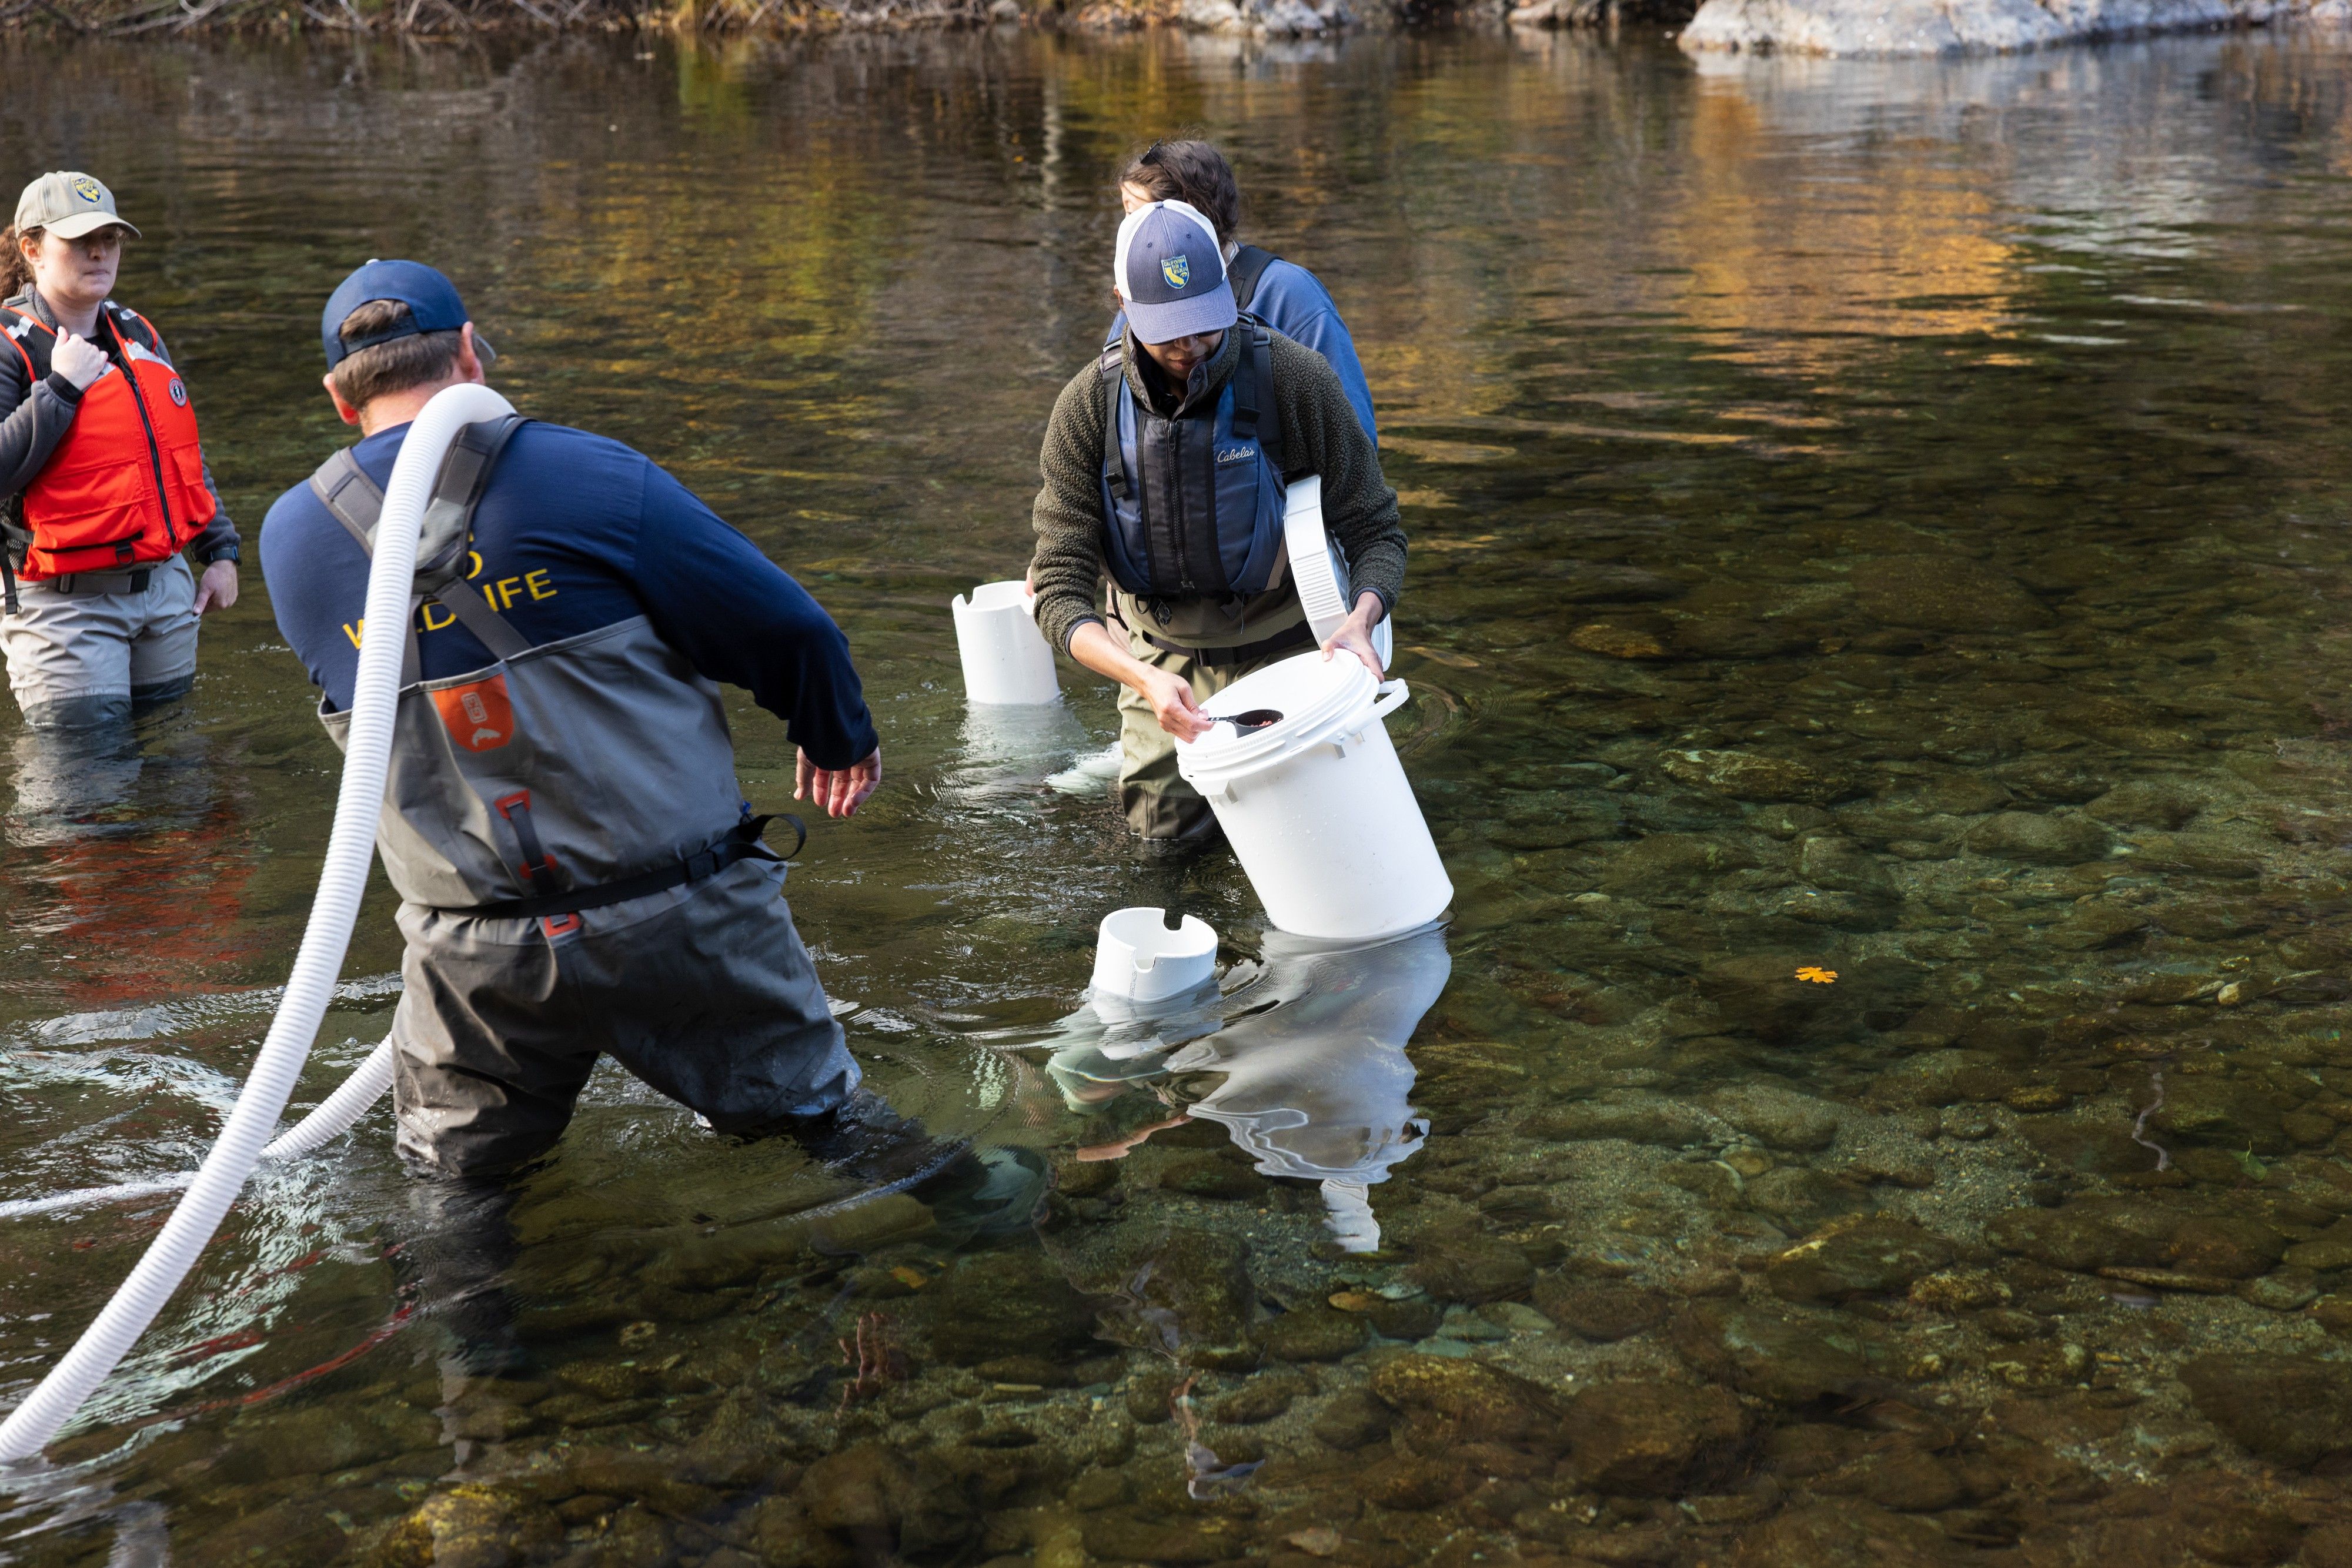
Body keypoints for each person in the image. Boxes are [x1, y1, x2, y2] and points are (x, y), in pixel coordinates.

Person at [260, 259, 895, 1181]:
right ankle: (996, 1244)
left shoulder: (289, 538)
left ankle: (472, 1327)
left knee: (459, 1204)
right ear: (471, 353)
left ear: (335, 394)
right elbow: (789, 627)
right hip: (680, 916)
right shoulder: (583, 470)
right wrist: (836, 733)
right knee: (833, 1137)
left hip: (470, 957)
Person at [1029, 199, 1406, 844]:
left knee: (1320, 838)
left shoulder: (1292, 377)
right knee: (1161, 845)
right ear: (1122, 301)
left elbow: (1375, 528)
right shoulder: (1088, 405)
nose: (1189, 346)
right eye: (1168, 329)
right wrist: (1141, 678)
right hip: (1160, 664)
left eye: (1205, 323)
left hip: (1295, 653)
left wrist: (1360, 619)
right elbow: (1058, 588)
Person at [0, 172, 241, 730]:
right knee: (82, 792)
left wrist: (221, 550)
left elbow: (180, 457)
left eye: (109, 238)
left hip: (164, 592)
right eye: (80, 239)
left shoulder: (139, 335)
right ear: (33, 249)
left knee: (179, 780)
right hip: (63, 606)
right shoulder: (9, 348)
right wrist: (61, 389)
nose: (98, 251)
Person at [1110, 138, 1377, 445]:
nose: (1128, 233)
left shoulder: (1291, 295)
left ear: (1191, 217)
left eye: (1136, 216)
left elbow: (1357, 440)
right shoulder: (1138, 304)